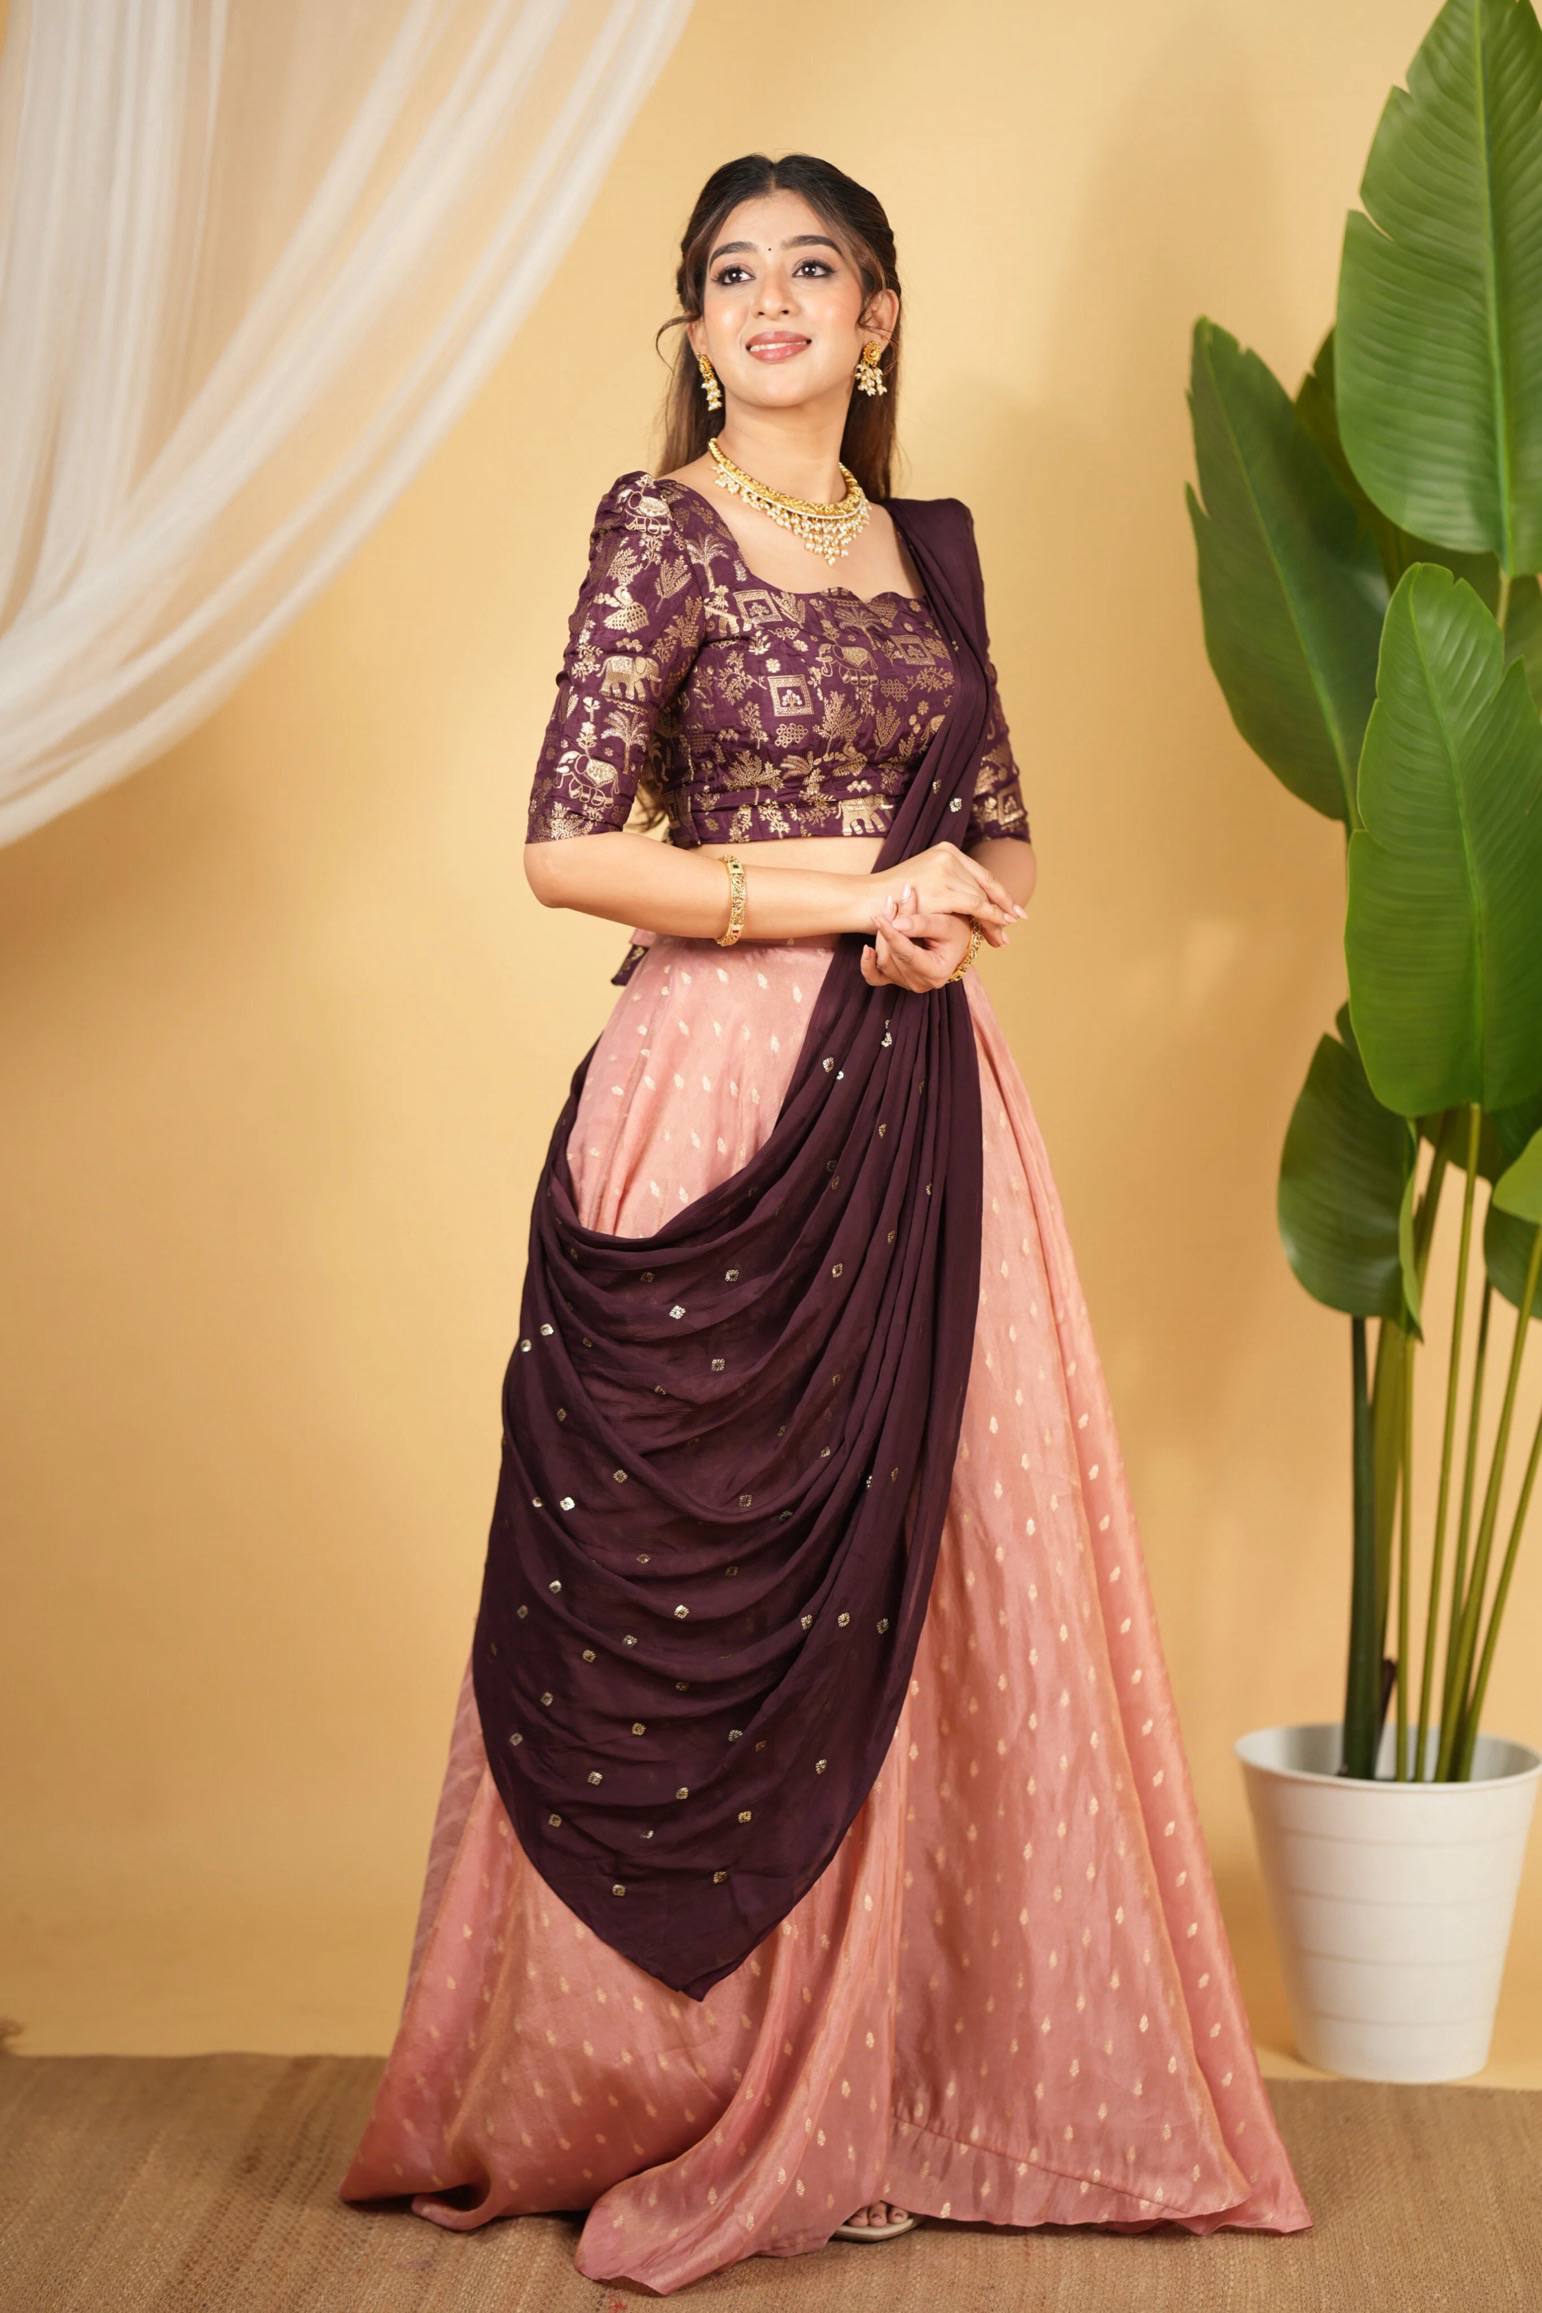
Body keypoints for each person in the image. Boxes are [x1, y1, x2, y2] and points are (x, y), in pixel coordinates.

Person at [337, 152, 1312, 2295]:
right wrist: (843, 897)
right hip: (709, 1091)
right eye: (729, 273)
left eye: (813, 268)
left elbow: (1008, 838)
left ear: (876, 319)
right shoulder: (657, 530)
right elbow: (567, 847)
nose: (769, 300)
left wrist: (950, 915)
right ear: (696, 328)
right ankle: (653, 2077)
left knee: (956, 1562)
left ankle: (895, 2069)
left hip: (923, 1085)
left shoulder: (926, 547)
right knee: (692, 1576)